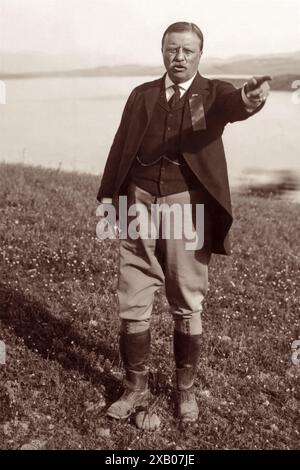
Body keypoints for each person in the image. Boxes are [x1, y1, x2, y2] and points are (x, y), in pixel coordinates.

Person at [96, 22, 270, 422]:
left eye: (188, 51)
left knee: (187, 299)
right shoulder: (141, 96)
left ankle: (184, 391)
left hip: (185, 208)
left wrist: (249, 99)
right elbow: (120, 146)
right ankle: (135, 387)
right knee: (133, 296)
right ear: (162, 52)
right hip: (136, 203)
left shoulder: (213, 94)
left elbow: (234, 105)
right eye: (172, 49)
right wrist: (108, 198)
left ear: (199, 55)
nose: (179, 57)